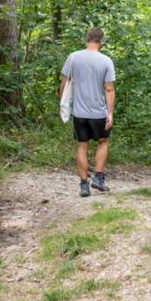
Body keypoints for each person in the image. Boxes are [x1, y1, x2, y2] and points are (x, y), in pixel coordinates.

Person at [59, 27, 116, 197]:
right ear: (101, 41)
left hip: (79, 112)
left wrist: (63, 105)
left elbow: (64, 83)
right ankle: (98, 178)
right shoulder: (106, 61)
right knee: (103, 142)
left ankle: (84, 184)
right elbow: (109, 89)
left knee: (82, 146)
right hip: (99, 112)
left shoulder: (73, 57)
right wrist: (110, 112)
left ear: (86, 39)